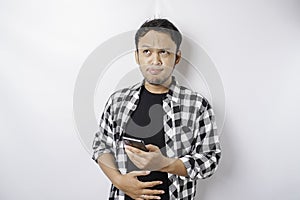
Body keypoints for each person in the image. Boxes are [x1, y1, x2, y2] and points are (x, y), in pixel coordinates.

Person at [92, 18, 221, 200]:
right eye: (147, 51)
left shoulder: (197, 105)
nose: (155, 60)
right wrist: (118, 181)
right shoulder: (117, 101)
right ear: (137, 56)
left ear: (176, 57)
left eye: (164, 52)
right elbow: (101, 146)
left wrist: (165, 164)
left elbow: (210, 160)